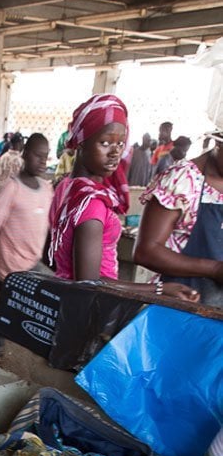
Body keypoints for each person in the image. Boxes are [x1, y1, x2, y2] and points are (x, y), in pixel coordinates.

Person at [48, 95, 198, 303]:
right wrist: (159, 289)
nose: (115, 152)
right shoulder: (91, 203)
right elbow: (88, 284)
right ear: (81, 141)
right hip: (89, 308)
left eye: (120, 143)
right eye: (105, 142)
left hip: (64, 297)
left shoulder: (65, 186)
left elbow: (56, 255)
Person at [134, 134, 223, 307]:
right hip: (180, 305)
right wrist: (215, 269)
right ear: (219, 140)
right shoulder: (183, 179)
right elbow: (146, 251)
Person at [0, 132, 52, 296]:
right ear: (24, 153)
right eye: (37, 155)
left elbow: (47, 228)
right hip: (10, 268)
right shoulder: (12, 188)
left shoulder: (46, 189)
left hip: (33, 264)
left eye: (45, 156)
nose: (43, 161)